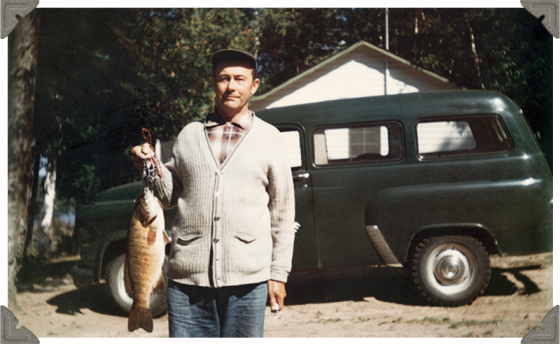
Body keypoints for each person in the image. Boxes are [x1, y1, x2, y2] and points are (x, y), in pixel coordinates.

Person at [130, 49, 296, 338]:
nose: (231, 86)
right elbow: (167, 196)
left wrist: (278, 274)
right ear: (213, 84)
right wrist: (148, 164)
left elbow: (283, 213)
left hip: (249, 280)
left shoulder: (271, 139)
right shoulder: (188, 136)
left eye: (240, 79)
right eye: (224, 78)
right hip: (187, 283)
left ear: (254, 86)